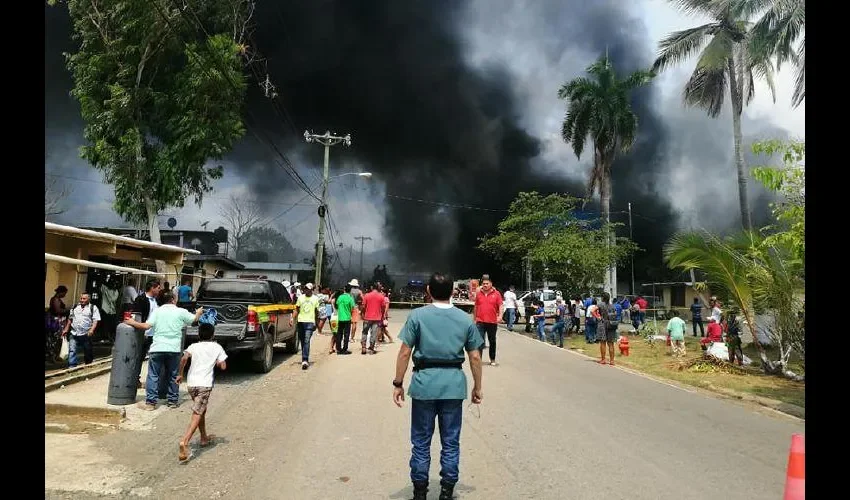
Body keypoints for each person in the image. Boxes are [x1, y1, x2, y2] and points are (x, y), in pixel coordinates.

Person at [392, 272, 483, 500]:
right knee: (451, 441)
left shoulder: (417, 316)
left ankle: (420, 492)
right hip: (453, 386)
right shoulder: (465, 319)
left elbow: (405, 352)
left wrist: (398, 383)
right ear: (453, 292)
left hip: (424, 385)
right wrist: (477, 387)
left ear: (429, 292)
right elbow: (475, 357)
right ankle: (446, 491)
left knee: (421, 441)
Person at [125, 290, 203, 409]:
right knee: (173, 375)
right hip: (174, 349)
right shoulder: (181, 311)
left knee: (153, 375)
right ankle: (172, 401)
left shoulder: (157, 311)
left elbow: (146, 326)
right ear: (172, 299)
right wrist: (198, 312)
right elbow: (194, 320)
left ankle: (151, 403)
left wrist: (131, 322)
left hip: (157, 348)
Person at [176, 322, 227, 462]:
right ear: (213, 335)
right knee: (198, 412)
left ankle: (204, 437)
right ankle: (184, 441)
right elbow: (223, 366)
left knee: (201, 410)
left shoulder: (193, 346)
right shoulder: (217, 347)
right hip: (204, 384)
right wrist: (218, 363)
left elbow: (184, 358)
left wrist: (180, 374)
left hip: (191, 384)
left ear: (199, 334)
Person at [63, 293, 101, 367]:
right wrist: (66, 329)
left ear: (88, 299)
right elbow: (70, 319)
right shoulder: (75, 307)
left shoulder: (93, 307)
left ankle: (88, 365)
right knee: (72, 350)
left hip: (86, 334)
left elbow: (95, 320)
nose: (82, 300)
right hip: (74, 333)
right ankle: (72, 366)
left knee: (87, 351)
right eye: (81, 298)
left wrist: (92, 330)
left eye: (84, 299)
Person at [473, 276, 503, 366]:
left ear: (491, 284)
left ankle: (492, 359)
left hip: (492, 321)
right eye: (484, 284)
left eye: (487, 283)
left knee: (492, 340)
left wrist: (500, 316)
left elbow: (500, 306)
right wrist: (474, 319)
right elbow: (476, 306)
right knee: (479, 341)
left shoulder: (496, 294)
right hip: (480, 321)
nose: (485, 285)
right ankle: (479, 360)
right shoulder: (479, 294)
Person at [290, 283, 320, 370]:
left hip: (310, 322)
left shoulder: (315, 299)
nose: (306, 290)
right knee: (302, 341)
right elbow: (297, 309)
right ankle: (304, 357)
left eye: (308, 289)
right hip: (301, 321)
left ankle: (305, 360)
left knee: (307, 340)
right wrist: (292, 319)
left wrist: (316, 323)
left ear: (311, 290)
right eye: (305, 288)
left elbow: (316, 312)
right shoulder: (300, 298)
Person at [46, 285, 69, 362]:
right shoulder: (55, 299)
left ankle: (56, 356)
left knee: (58, 340)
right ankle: (51, 357)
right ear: (61, 292)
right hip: (54, 323)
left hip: (58, 322)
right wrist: (67, 310)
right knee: (53, 340)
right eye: (64, 293)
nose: (65, 295)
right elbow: (57, 310)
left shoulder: (57, 299)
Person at [362, 283, 387, 354]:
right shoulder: (381, 297)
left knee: (364, 332)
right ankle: (371, 348)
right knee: (374, 333)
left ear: (372, 287)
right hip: (377, 318)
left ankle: (363, 347)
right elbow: (383, 308)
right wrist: (382, 315)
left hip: (367, 317)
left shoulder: (367, 295)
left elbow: (363, 307)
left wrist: (363, 314)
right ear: (378, 288)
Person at [596, 293, 618, 365]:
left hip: (603, 324)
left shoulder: (601, 304)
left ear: (603, 298)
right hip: (611, 325)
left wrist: (598, 317)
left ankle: (603, 359)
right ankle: (612, 361)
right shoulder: (612, 306)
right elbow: (615, 314)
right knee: (611, 343)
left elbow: (592, 310)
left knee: (603, 342)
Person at [334, 285, 356, 355]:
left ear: (344, 289)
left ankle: (338, 349)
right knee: (346, 334)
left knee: (339, 333)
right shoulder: (350, 298)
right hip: (347, 318)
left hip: (340, 318)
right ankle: (344, 349)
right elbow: (352, 308)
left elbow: (336, 305)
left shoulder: (340, 297)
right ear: (350, 290)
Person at [348, 279, 363, 345]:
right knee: (354, 323)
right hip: (355, 307)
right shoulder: (359, 291)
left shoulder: (349, 291)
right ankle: (352, 338)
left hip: (348, 307)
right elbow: (363, 299)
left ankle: (346, 336)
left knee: (347, 322)